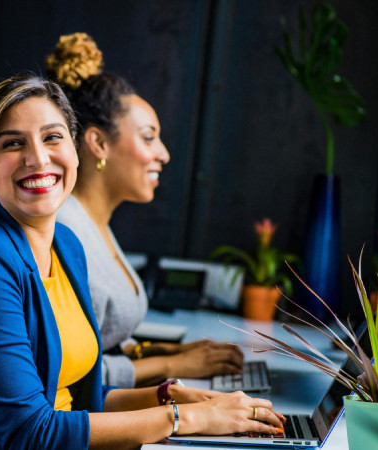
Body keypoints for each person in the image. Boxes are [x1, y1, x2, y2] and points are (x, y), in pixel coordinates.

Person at [0, 74, 284, 449]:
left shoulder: (66, 245)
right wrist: (183, 418)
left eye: (53, 137)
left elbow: (83, 401)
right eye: (13, 144)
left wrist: (174, 397)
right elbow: (29, 432)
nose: (38, 157)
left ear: (75, 151)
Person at [49, 33, 244, 389]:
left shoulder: (94, 225)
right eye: (149, 137)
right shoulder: (65, 231)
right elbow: (68, 374)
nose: (164, 154)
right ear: (99, 143)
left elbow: (102, 342)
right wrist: (174, 365)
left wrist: (166, 352)